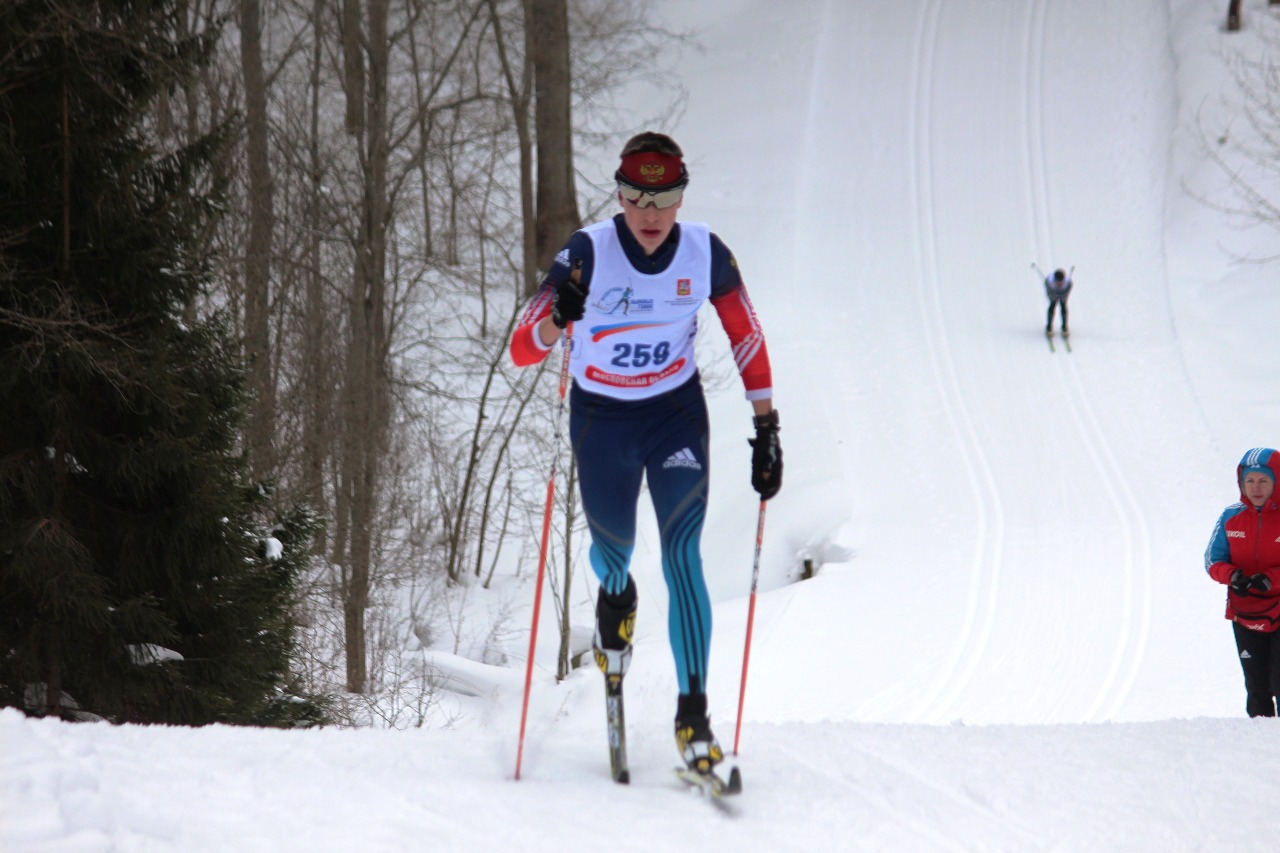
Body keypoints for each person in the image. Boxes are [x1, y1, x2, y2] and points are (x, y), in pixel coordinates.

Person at [508, 131, 782, 775]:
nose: (652, 214)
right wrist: (557, 318)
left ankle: (693, 717)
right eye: (637, 197)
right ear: (620, 195)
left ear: (682, 196)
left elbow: (746, 334)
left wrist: (767, 427)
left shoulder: (704, 252)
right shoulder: (587, 254)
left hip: (673, 416)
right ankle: (617, 599)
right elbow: (524, 345)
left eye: (665, 198)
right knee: (615, 556)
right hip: (601, 420)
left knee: (683, 553)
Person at [1204, 448, 1280, 717]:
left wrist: (1269, 579)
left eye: (1263, 481)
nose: (1256, 488)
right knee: (1257, 686)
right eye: (1250, 481)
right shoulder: (1230, 516)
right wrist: (1233, 576)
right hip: (1245, 612)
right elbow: (1213, 559)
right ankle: (1258, 748)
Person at [1044, 268, 1072, 336]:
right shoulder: (1049, 283)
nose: (1059, 283)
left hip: (1063, 295)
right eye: (1057, 281)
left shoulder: (1067, 283)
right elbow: (1048, 292)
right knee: (1052, 306)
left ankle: (1064, 326)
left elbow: (1067, 292)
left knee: (1063, 307)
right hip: (1053, 295)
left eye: (1061, 282)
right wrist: (1053, 297)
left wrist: (1063, 297)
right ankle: (1049, 326)